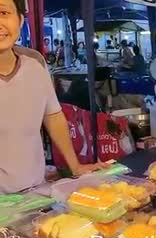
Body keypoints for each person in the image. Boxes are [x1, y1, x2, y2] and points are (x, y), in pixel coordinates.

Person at [0, 0, 107, 193]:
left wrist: (75, 166)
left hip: (34, 194)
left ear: (20, 20)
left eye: (4, 13)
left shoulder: (35, 64)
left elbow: (53, 116)